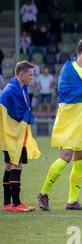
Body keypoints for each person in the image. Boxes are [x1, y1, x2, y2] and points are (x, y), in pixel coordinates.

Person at [37, 39, 82, 211]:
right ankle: (43, 193)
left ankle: (72, 201)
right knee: (65, 156)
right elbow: (65, 94)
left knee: (80, 159)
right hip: (68, 120)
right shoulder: (68, 69)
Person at [0, 61, 41, 212]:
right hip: (13, 134)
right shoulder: (13, 90)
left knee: (9, 166)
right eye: (30, 74)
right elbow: (19, 114)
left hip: (8, 134)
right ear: (21, 74)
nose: (32, 77)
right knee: (17, 165)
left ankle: (7, 203)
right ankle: (16, 204)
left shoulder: (18, 87)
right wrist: (30, 115)